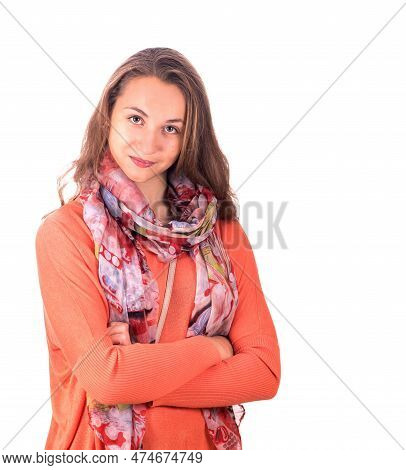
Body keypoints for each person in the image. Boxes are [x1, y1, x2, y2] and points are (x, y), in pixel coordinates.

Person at [35, 47, 281, 450]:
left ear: (189, 137)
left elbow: (264, 373)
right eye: (135, 119)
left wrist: (140, 374)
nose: (148, 143)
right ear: (108, 117)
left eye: (171, 128)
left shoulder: (221, 232)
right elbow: (106, 379)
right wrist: (215, 348)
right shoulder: (65, 233)